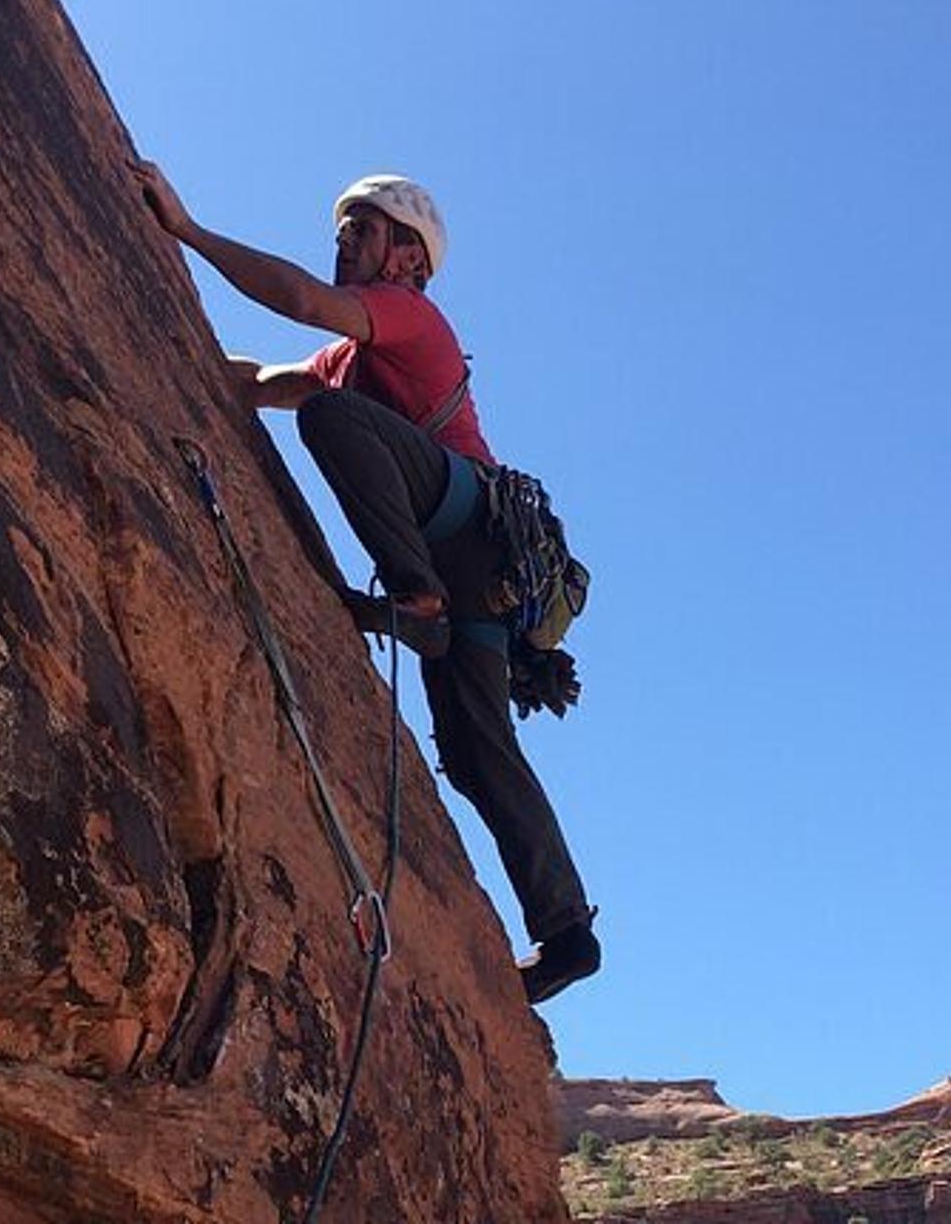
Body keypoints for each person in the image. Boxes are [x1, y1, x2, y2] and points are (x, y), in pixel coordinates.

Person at [129, 158, 600, 1004]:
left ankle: (412, 599)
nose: (345, 242)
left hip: (462, 526)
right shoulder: (348, 358)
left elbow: (307, 305)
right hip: (475, 576)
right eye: (344, 229)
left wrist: (188, 232)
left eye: (363, 230)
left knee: (331, 419)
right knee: (472, 748)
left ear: (406, 258)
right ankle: (566, 932)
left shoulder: (414, 318)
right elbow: (261, 382)